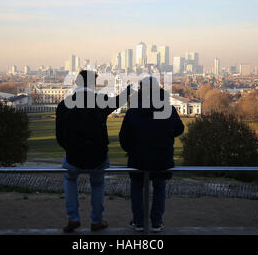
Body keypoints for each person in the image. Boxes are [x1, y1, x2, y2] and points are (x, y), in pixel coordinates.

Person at [56, 70, 133, 233]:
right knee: (97, 185)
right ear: (93, 84)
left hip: (73, 155)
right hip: (97, 155)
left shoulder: (64, 105)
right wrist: (128, 90)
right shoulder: (100, 101)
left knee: (69, 180)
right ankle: (96, 221)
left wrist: (69, 149)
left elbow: (59, 136)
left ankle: (73, 218)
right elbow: (118, 101)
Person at [119, 76, 184, 232]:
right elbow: (179, 129)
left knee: (136, 188)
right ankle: (156, 222)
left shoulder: (133, 111)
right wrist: (167, 137)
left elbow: (123, 137)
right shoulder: (168, 109)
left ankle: (139, 222)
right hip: (162, 158)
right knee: (159, 188)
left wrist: (131, 150)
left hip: (138, 158)